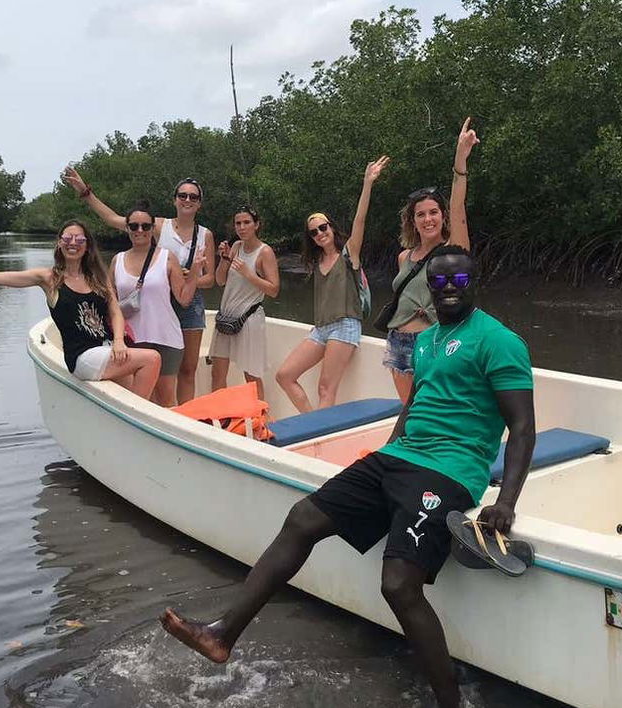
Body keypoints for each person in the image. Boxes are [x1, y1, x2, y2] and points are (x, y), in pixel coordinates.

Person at [160, 243, 536, 708]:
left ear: (473, 281)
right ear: (428, 287)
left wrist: (506, 502)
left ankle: (449, 702)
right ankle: (222, 634)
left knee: (398, 584)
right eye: (438, 281)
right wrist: (385, 456)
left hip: (450, 472)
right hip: (398, 459)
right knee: (302, 518)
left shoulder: (500, 341)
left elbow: (522, 428)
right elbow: (413, 406)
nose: (448, 289)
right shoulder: (426, 339)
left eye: (457, 280)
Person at [0, 220, 161, 399]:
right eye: (67, 238)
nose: (73, 243)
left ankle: (131, 425)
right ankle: (141, 421)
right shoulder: (49, 278)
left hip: (107, 349)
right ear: (60, 243)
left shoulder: (97, 275)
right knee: (151, 359)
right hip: (83, 358)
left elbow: (115, 311)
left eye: (79, 239)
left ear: (87, 245)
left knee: (131, 390)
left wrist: (119, 341)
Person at [63, 168, 217, 404]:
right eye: (183, 195)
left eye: (193, 197)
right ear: (175, 199)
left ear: (200, 203)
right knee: (153, 370)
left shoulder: (205, 235)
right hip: (152, 299)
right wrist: (85, 192)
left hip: (186, 300)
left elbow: (211, 279)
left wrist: (189, 275)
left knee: (188, 368)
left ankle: (188, 416)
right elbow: (115, 219)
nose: (187, 200)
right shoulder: (156, 225)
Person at [275, 156, 389, 413]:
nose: (319, 233)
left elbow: (360, 221)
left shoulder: (350, 254)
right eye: (313, 232)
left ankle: (319, 438)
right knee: (284, 375)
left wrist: (368, 183)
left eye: (323, 227)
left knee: (326, 389)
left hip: (345, 326)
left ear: (332, 228)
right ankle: (313, 422)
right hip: (321, 329)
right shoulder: (316, 262)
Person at [383, 119, 478, 402]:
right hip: (398, 341)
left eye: (433, 212)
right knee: (409, 413)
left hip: (434, 341)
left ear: (442, 216)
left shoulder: (452, 251)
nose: (428, 219)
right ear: (413, 221)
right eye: (421, 214)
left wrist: (460, 160)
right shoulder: (405, 257)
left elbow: (458, 204)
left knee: (435, 409)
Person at [109, 201, 201, 406]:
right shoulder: (117, 260)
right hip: (133, 340)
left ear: (152, 229)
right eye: (134, 226)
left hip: (166, 338)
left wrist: (194, 272)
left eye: (145, 226)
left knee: (166, 398)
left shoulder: (167, 257)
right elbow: (110, 301)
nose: (139, 230)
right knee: (140, 399)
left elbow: (184, 299)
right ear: (127, 228)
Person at [211, 206, 280, 399]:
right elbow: (220, 280)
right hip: (226, 317)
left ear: (256, 225)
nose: (242, 227)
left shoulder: (264, 252)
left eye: (247, 222)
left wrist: (250, 275)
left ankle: (260, 422)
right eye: (238, 223)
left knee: (251, 375)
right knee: (217, 372)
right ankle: (219, 420)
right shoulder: (236, 247)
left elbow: (274, 290)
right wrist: (224, 259)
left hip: (249, 318)